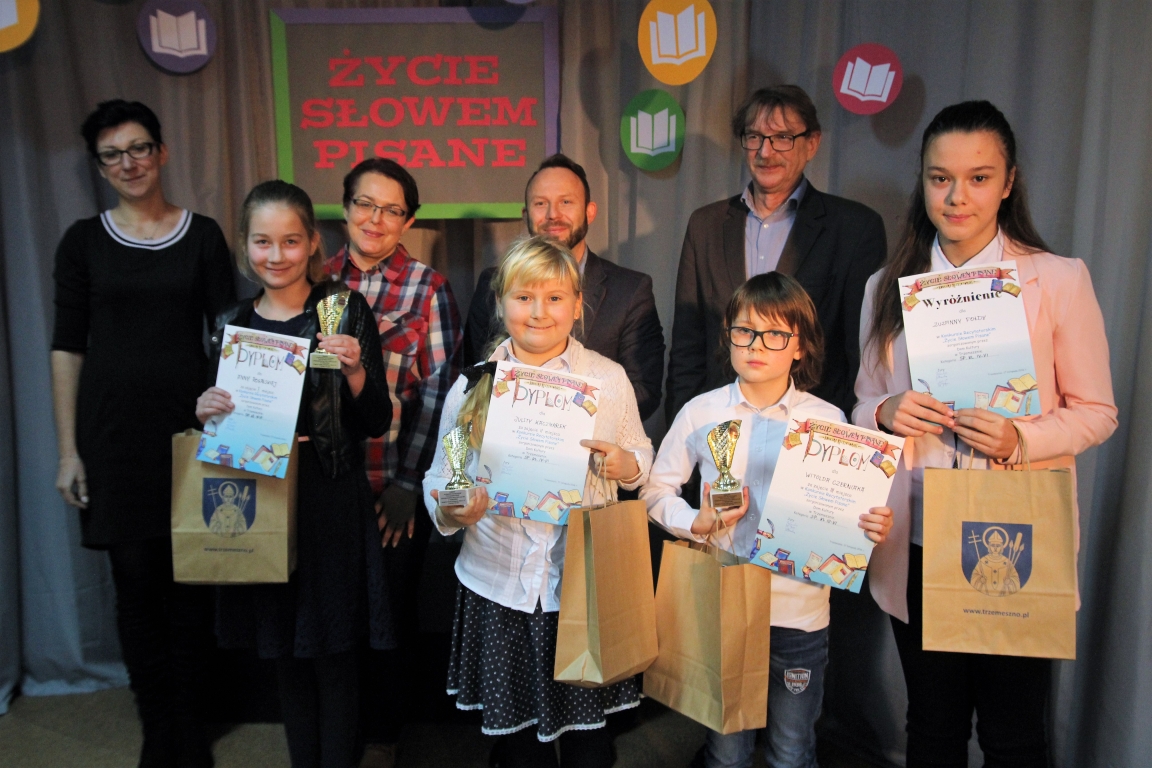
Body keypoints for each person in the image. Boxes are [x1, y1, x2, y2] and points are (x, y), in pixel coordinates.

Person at [854, 100, 1118, 767]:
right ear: (922, 181)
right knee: (932, 727)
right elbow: (862, 403)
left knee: (1014, 734)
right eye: (940, 178)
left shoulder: (1057, 279)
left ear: (1008, 182)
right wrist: (885, 413)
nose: (957, 196)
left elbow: (1097, 411)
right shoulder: (886, 287)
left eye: (978, 178)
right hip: (919, 534)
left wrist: (1020, 441)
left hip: (1015, 530)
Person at [50, 99, 236, 768]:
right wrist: (69, 451)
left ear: (161, 153)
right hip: (112, 441)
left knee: (192, 587)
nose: (127, 163)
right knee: (135, 586)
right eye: (112, 155)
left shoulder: (203, 236)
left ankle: (191, 727)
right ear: (100, 167)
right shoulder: (82, 242)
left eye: (138, 148)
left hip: (190, 437)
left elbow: (229, 337)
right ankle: (157, 728)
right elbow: (67, 348)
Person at [644, 273, 893, 768]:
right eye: (745, 331)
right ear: (729, 338)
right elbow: (655, 491)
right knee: (726, 750)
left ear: (800, 347)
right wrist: (696, 521)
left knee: (792, 749)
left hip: (799, 613)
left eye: (776, 334)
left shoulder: (827, 420)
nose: (757, 345)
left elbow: (845, 513)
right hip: (724, 603)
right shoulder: (700, 412)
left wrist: (868, 527)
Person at [423, 236, 653, 768]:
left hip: (580, 586)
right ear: (500, 303)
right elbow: (439, 476)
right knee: (520, 749)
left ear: (577, 304)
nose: (538, 312)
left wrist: (626, 464)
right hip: (497, 585)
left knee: (589, 748)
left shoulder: (607, 379)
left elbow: (641, 453)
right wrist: (452, 508)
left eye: (554, 298)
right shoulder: (472, 386)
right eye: (523, 297)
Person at [198, 180, 394, 768]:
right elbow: (219, 427)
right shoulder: (231, 322)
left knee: (334, 656)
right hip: (260, 497)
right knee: (283, 652)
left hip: (328, 497)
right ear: (245, 246)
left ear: (312, 244)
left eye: (290, 241)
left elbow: (377, 420)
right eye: (262, 241)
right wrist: (205, 409)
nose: (276, 255)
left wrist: (356, 373)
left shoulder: (342, 311)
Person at [322, 159, 462, 768]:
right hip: (326, 487)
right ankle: (338, 733)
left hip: (392, 489)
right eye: (365, 203)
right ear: (345, 207)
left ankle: (383, 737)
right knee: (333, 617)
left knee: (389, 621)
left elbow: (440, 394)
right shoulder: (316, 281)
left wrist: (409, 482)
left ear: (408, 220)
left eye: (392, 209)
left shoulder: (429, 289)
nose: (375, 219)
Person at [666, 85, 887, 423]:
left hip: (810, 432)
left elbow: (859, 354)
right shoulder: (706, 225)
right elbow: (687, 349)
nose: (765, 152)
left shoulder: (855, 229)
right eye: (754, 137)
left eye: (782, 137)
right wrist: (681, 432)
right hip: (719, 430)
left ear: (812, 143)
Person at [463, 153, 665, 421]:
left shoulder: (630, 290)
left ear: (589, 211)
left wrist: (563, 426)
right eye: (540, 203)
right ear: (525, 214)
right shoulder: (492, 283)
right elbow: (473, 376)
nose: (553, 215)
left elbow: (643, 391)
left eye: (566, 202)